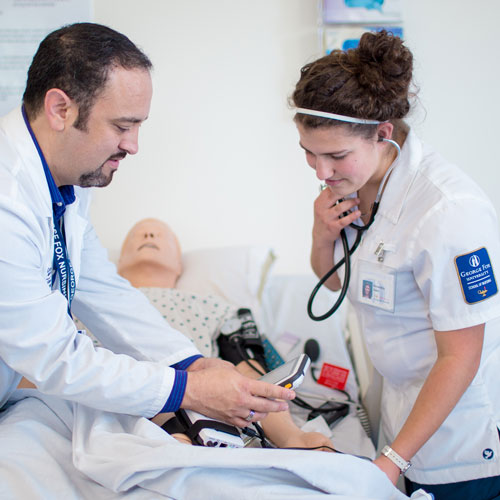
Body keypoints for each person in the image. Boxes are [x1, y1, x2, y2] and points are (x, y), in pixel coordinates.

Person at [0, 21, 295, 452]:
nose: (134, 145)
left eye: (139, 125)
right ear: (61, 109)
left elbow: (102, 289)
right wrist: (188, 390)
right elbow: (54, 357)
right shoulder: (7, 197)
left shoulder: (65, 183)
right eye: (122, 126)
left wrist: (193, 364)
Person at [291, 30, 500, 499]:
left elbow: (461, 356)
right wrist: (321, 234)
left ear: (383, 134)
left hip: (459, 436)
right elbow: (338, 283)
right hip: (404, 413)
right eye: (308, 152)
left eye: (335, 155)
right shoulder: (355, 183)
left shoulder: (449, 211)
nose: (321, 172)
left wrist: (392, 460)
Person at [108, 217, 334, 451]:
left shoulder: (210, 306)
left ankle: (180, 442)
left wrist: (290, 436)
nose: (149, 236)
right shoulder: (91, 304)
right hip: (115, 404)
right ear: (119, 261)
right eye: (138, 235)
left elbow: (246, 370)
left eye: (159, 235)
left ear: (179, 263)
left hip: (199, 412)